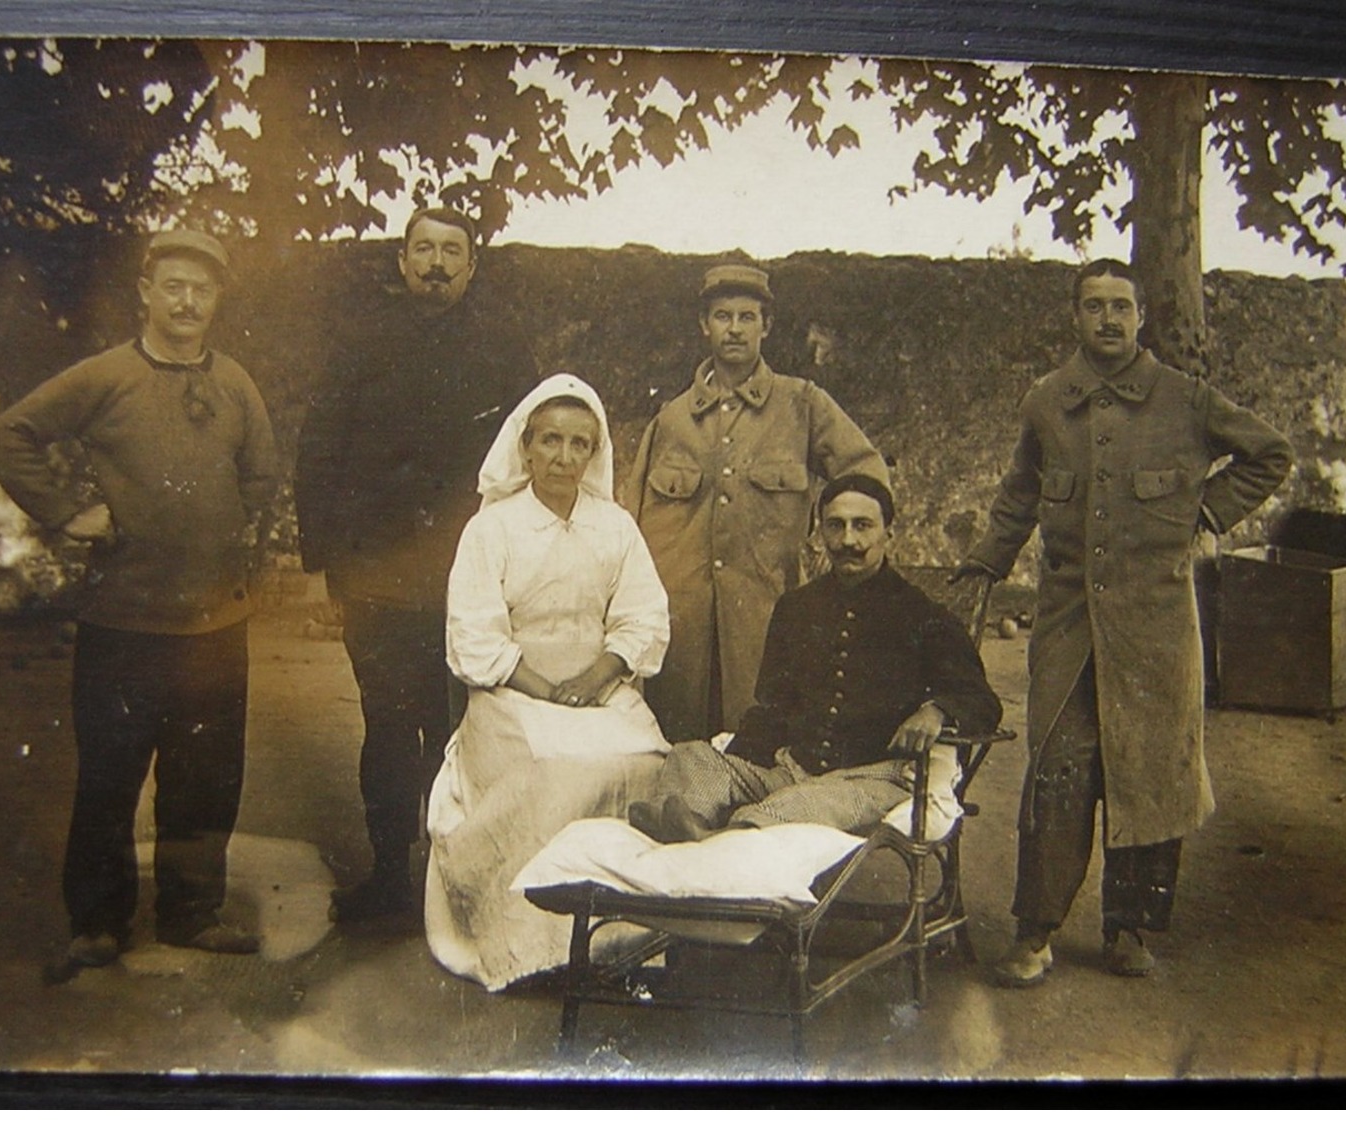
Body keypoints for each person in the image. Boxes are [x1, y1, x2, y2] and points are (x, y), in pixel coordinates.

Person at [957, 258, 1293, 986]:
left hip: (1155, 628)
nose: (1108, 319)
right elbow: (1017, 497)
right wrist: (983, 563)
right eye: (1093, 306)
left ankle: (1130, 928)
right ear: (1074, 317)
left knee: (1148, 773)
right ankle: (1033, 930)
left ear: (1140, 316)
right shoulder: (1046, 402)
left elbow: (1270, 453)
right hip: (1067, 629)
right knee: (1056, 770)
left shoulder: (1186, 399)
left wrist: (1205, 511)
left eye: (1121, 307)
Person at [0, 230, 277, 969]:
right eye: (172, 285)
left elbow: (262, 478)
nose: (186, 301)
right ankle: (97, 923)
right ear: (145, 290)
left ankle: (191, 912)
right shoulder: (105, 375)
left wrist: (231, 545)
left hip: (214, 624)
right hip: (123, 621)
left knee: (205, 778)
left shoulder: (236, 382)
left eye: (201, 289)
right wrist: (69, 510)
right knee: (110, 774)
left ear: (217, 300)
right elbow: (8, 435)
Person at [294, 206, 537, 922]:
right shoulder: (360, 343)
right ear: (402, 262)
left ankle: (462, 880)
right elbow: (319, 450)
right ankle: (389, 878)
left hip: (471, 579)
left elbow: (530, 454)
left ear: (472, 265)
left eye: (450, 252)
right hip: (378, 581)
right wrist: (318, 567)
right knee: (391, 727)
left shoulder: (503, 350)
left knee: (471, 728)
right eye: (422, 249)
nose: (435, 263)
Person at [424, 373, 671, 989]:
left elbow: (643, 615)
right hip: (512, 693)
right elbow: (475, 634)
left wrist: (601, 674)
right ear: (526, 447)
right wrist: (540, 686)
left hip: (599, 688)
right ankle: (534, 946)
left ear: (595, 453)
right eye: (551, 441)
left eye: (579, 444)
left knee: (647, 759)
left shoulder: (614, 527)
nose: (564, 457)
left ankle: (624, 938)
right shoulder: (492, 529)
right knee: (548, 767)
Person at [629, 474, 1001, 841]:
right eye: (835, 526)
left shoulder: (923, 614)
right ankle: (693, 825)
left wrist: (935, 710)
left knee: (800, 804)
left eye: (863, 526)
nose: (848, 540)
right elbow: (772, 704)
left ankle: (717, 841)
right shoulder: (797, 607)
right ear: (820, 532)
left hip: (872, 777)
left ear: (889, 533)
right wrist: (732, 765)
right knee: (692, 757)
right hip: (794, 767)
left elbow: (981, 701)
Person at [625, 264, 890, 744]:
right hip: (681, 631)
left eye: (747, 317)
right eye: (722, 316)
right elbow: (626, 526)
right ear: (704, 325)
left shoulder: (802, 405)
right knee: (675, 758)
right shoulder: (671, 420)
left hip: (767, 622)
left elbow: (867, 478)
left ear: (766, 326)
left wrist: (833, 545)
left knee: (761, 752)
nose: (734, 328)